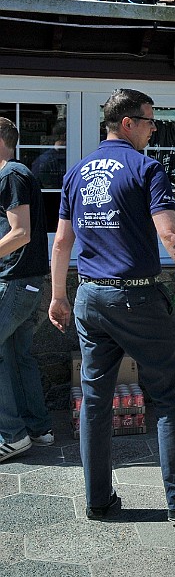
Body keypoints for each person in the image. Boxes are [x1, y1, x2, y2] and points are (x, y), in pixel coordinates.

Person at [48, 88, 175, 524]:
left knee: (95, 401)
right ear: (127, 122)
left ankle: (98, 500)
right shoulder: (146, 169)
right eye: (149, 121)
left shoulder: (77, 173)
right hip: (137, 297)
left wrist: (58, 295)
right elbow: (172, 236)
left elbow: (62, 243)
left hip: (90, 297)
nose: (153, 128)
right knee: (167, 398)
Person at [0, 118, 53, 463]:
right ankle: (37, 428)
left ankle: (11, 435)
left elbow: (20, 233)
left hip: (16, 282)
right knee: (17, 356)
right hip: (27, 282)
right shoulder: (16, 173)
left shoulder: (10, 174)